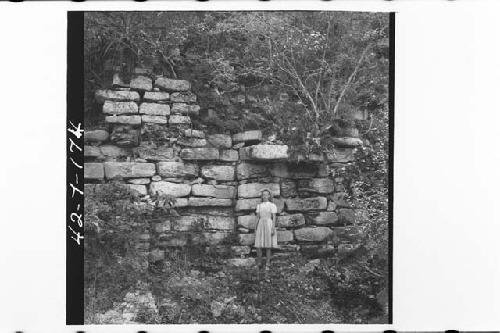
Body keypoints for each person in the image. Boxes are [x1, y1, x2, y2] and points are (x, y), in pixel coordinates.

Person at [254, 188, 278, 271]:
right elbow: (257, 217)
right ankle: (259, 262)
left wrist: (273, 228)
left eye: (266, 195)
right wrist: (255, 227)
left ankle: (268, 262)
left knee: (268, 245)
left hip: (268, 224)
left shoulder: (272, 205)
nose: (264, 196)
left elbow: (274, 217)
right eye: (263, 195)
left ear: (269, 196)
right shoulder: (259, 205)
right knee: (258, 245)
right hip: (261, 224)